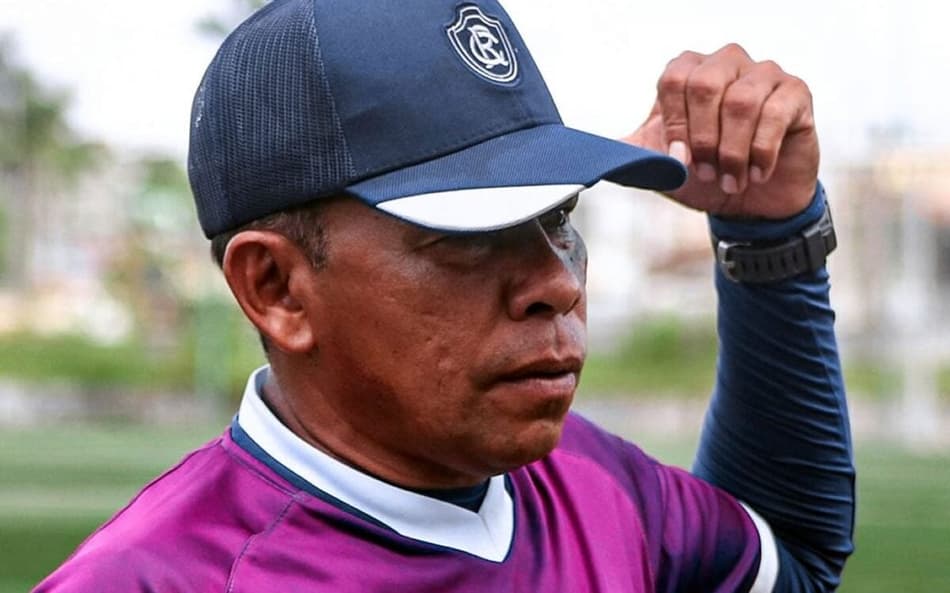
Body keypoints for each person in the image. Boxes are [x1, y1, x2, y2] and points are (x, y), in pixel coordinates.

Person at [35, 1, 854, 592]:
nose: (557, 282)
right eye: (467, 237)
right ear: (275, 287)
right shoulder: (158, 578)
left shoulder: (595, 481)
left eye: (556, 218)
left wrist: (768, 236)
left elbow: (794, 561)